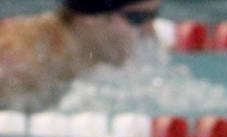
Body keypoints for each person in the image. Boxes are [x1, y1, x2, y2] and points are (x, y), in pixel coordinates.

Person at [0, 0, 161, 112]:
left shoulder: (83, 57)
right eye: (138, 18)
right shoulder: (24, 63)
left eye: (154, 16)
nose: (150, 32)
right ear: (92, 17)